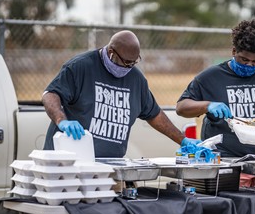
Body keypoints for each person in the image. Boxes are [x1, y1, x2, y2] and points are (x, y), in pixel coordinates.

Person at [42, 30, 200, 158]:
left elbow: (154, 114)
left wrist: (183, 140)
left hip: (111, 168)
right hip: (68, 163)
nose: (129, 67)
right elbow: (50, 94)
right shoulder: (81, 67)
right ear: (111, 53)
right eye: (126, 62)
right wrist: (61, 120)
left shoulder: (136, 79)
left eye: (134, 62)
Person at [176, 19, 255, 187]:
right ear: (233, 51)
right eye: (244, 60)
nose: (249, 65)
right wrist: (207, 105)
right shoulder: (210, 77)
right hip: (226, 164)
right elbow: (181, 107)